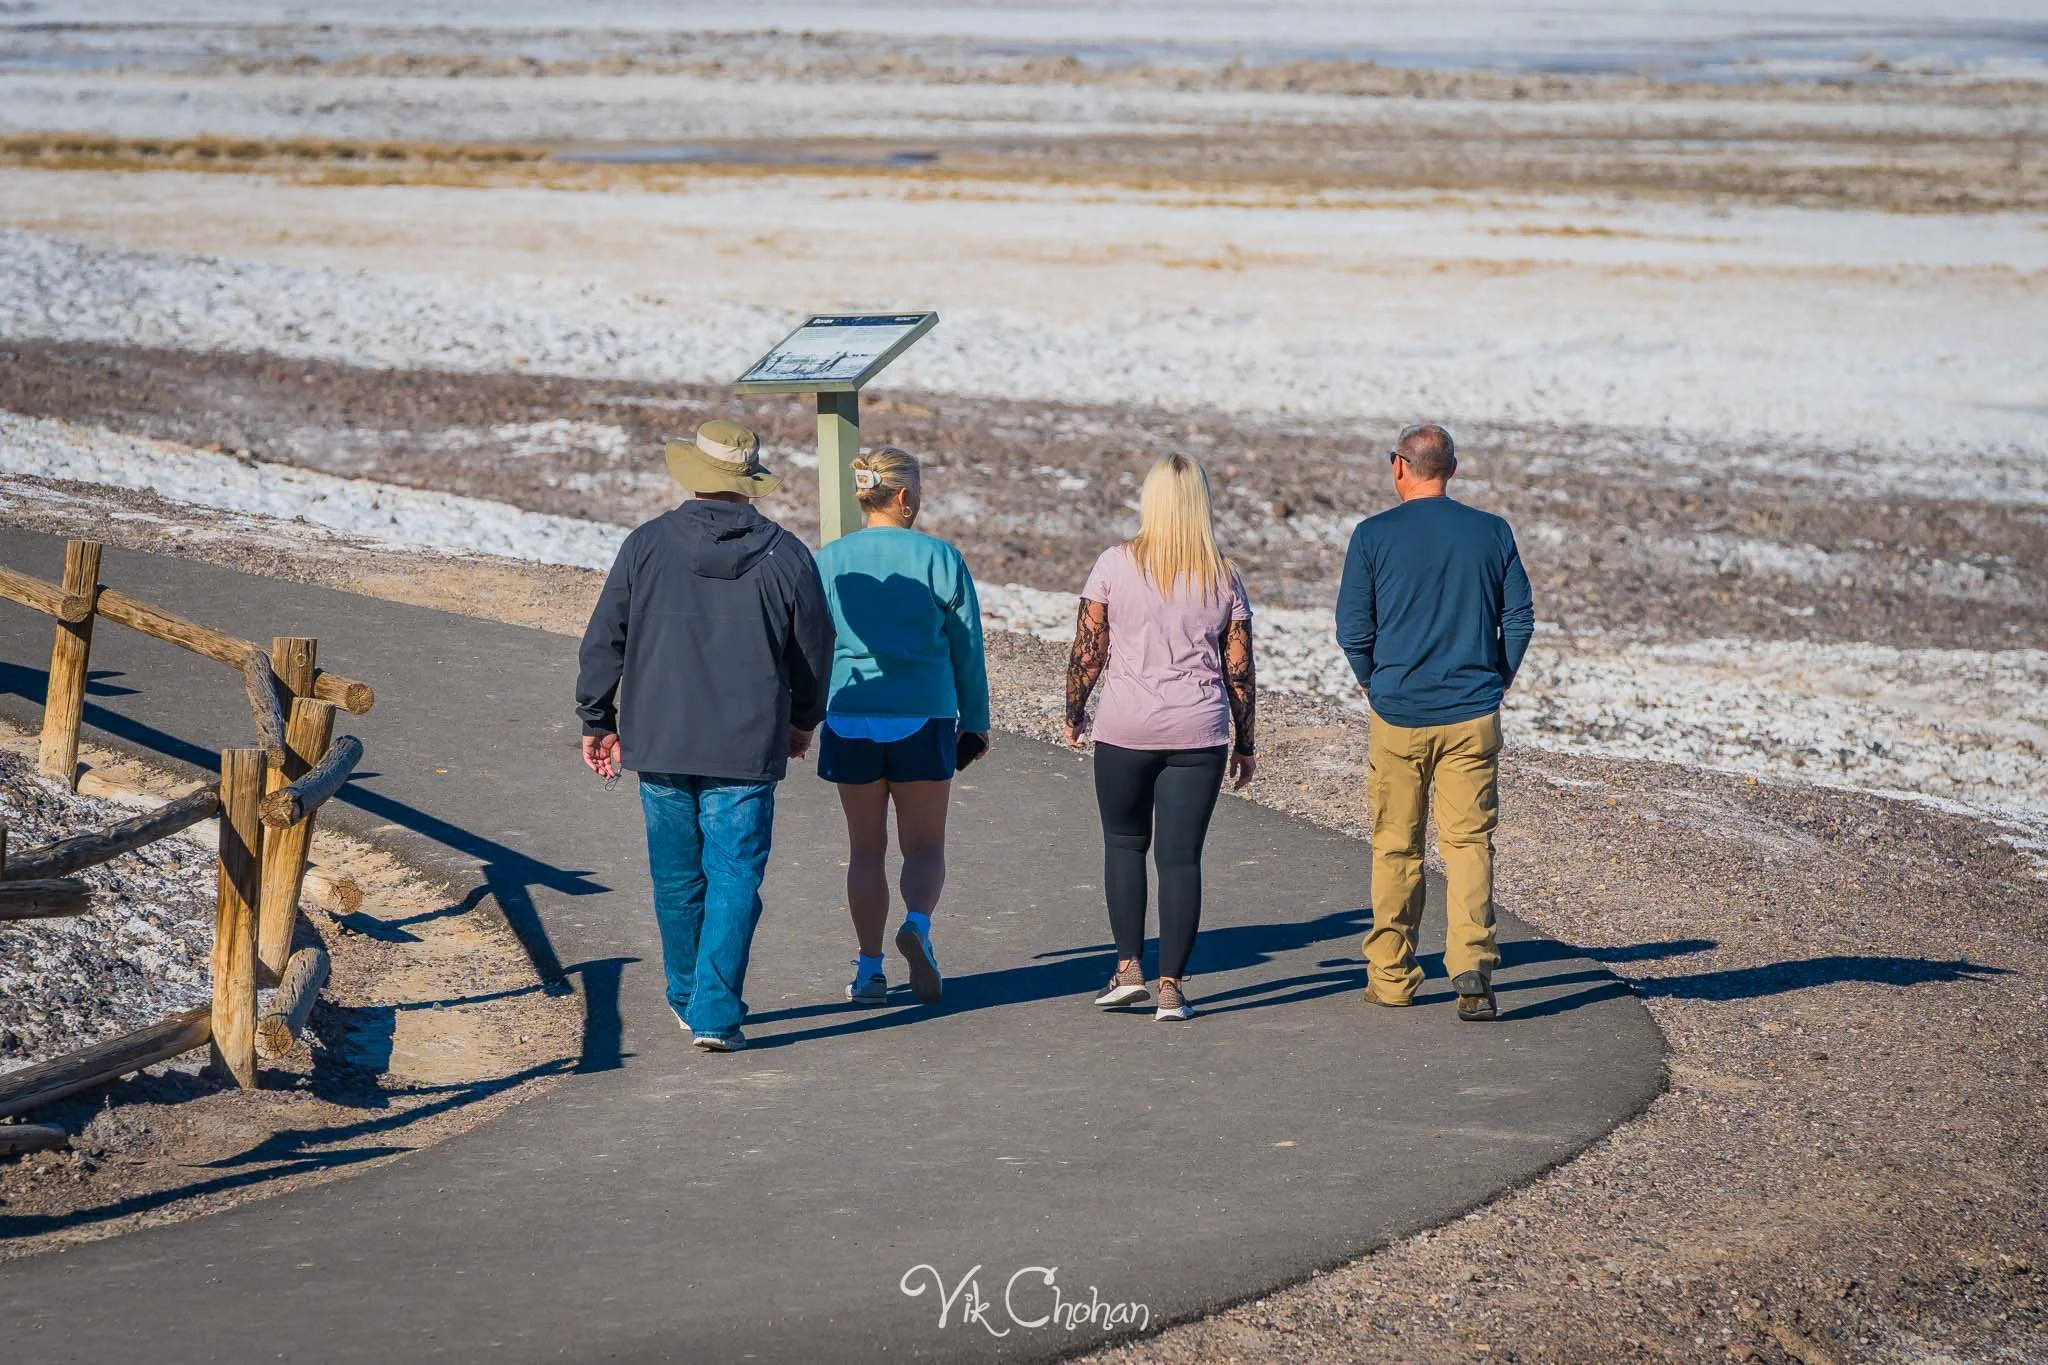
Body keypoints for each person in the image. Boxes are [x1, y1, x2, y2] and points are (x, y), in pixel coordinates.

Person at [575, 419, 833, 1054]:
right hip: (745, 746)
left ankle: (688, 997)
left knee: (676, 878)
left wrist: (596, 720)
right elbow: (815, 654)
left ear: (693, 474)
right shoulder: (787, 555)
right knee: (735, 874)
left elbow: (606, 637)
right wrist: (802, 722)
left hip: (658, 737)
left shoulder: (646, 545)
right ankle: (715, 1010)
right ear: (746, 482)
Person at [1335, 422, 1534, 1022]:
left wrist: (1374, 680)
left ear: (1400, 465)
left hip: (1398, 714)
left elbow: (1352, 629)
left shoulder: (1372, 536)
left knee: (1397, 846)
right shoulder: (1491, 532)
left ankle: (1392, 977)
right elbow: (1518, 618)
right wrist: (1496, 680)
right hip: (1471, 712)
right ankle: (1471, 961)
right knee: (1469, 842)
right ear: (1451, 467)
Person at [1064, 453, 1256, 1022]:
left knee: (1124, 844)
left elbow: (1088, 648)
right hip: (1198, 732)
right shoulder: (1222, 575)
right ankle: (1172, 987)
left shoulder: (1113, 564)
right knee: (1180, 861)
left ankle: (1128, 969)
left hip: (1124, 728)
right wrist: (1245, 742)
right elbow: (1240, 670)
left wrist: (1074, 712)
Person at [814, 447, 990, 1007]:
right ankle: (917, 922)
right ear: (906, 497)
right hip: (924, 714)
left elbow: (812, 644)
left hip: (851, 711)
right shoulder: (942, 558)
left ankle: (869, 971)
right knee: (924, 845)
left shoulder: (831, 559)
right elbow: (967, 648)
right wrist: (976, 722)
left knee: (865, 849)